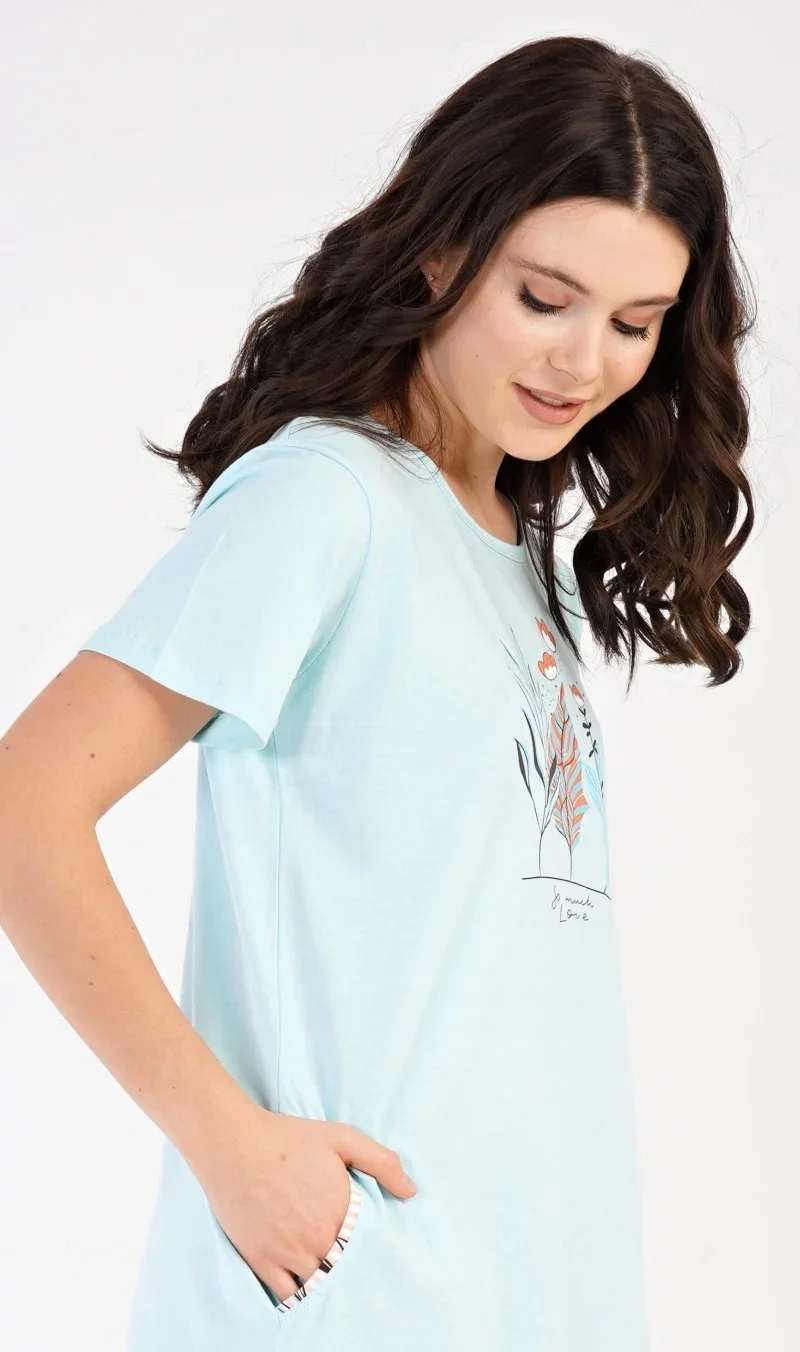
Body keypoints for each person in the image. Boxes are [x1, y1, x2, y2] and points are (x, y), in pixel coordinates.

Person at [0, 33, 756, 1352]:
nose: (584, 363)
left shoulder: (517, 554)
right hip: (351, 1296)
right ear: (444, 251)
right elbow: (24, 809)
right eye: (546, 299)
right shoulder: (325, 499)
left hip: (532, 1291)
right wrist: (228, 1147)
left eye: (634, 325)